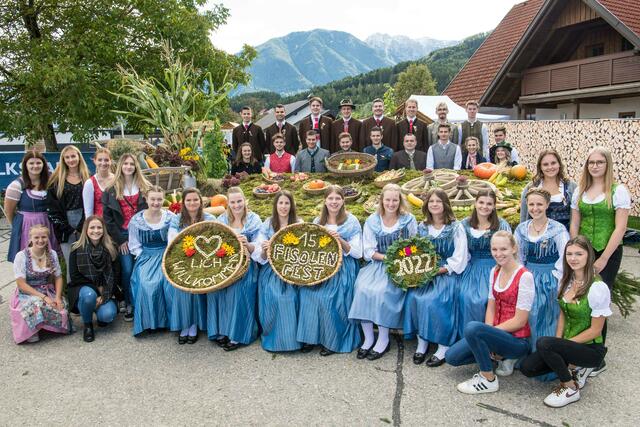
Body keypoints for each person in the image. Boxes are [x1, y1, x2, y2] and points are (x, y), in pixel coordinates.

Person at [520, 236, 611, 408]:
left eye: (579, 254)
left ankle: (570, 388)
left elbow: (595, 331)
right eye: (569, 254)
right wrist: (558, 342)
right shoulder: (566, 281)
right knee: (527, 368)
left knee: (544, 343)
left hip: (591, 349)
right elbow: (562, 314)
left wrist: (561, 345)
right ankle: (574, 367)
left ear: (589, 256)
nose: (573, 258)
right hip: (568, 344)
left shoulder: (598, 287)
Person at [446, 231, 534, 394]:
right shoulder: (495, 271)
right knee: (452, 357)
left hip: (517, 341)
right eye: (494, 249)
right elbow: (491, 307)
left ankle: (488, 378)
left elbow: (520, 321)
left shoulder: (525, 276)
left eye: (503, 249)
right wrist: (487, 337)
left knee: (473, 328)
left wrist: (489, 334)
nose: (498, 254)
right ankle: (496, 357)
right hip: (497, 335)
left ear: (514, 249)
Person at [570, 146, 630, 375]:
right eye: (591, 162)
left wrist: (604, 257)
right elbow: (575, 222)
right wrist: (576, 249)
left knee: (599, 300)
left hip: (608, 250)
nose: (594, 166)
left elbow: (621, 227)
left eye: (599, 162)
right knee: (581, 298)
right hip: (584, 249)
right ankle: (582, 350)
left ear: (607, 165)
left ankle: (597, 358)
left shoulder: (617, 191)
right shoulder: (581, 190)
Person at [349, 184, 417, 360]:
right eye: (388, 200)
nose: (391, 203)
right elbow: (369, 251)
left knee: (381, 292)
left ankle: (383, 339)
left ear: (400, 201)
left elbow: (414, 246)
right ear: (382, 200)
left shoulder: (408, 219)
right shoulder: (373, 220)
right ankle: (369, 338)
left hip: (400, 265)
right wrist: (387, 258)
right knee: (362, 288)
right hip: (379, 263)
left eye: (395, 200)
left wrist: (400, 256)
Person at [404, 188, 467, 367]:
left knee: (436, 300)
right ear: (426, 205)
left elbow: (459, 257)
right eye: (431, 201)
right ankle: (422, 342)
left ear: (445, 204)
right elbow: (413, 248)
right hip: (424, 271)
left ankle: (443, 345)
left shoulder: (455, 227)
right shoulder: (422, 227)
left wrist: (439, 270)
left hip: (446, 273)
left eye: (438, 201)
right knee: (413, 297)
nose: (434, 205)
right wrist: (407, 256)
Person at [297, 186, 363, 355]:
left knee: (331, 295)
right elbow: (310, 249)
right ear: (325, 201)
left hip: (343, 266)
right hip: (321, 265)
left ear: (343, 201)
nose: (334, 202)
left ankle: (333, 339)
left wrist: (340, 240)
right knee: (308, 293)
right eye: (330, 199)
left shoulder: (351, 221)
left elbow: (357, 253)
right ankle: (312, 337)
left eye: (337, 199)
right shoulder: (317, 221)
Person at [515, 188, 569, 361]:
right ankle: (527, 355)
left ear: (547, 205)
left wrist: (559, 281)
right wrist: (520, 277)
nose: (535, 208)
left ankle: (546, 357)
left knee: (546, 315)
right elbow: (518, 257)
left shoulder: (558, 229)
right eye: (531, 204)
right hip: (528, 277)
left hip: (550, 277)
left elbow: (564, 257)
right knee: (528, 315)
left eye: (539, 204)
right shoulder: (522, 229)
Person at [252, 190, 303, 351]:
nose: (283, 206)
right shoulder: (267, 224)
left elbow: (304, 251)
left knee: (291, 297)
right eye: (280, 203)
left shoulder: (298, 223)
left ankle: (294, 339)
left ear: (291, 205)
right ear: (275, 205)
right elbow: (261, 257)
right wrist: (265, 249)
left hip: (292, 268)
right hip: (271, 270)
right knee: (276, 296)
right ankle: (275, 337)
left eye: (287, 203)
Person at [213, 187, 262, 350]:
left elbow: (259, 246)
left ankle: (238, 334)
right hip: (225, 264)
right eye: (233, 202)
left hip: (247, 265)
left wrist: (247, 244)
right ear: (228, 203)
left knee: (239, 289)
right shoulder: (221, 220)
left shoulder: (254, 220)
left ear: (245, 201)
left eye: (239, 201)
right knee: (218, 289)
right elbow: (215, 243)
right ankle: (223, 330)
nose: (236, 205)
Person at [102, 153, 151, 322]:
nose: (128, 167)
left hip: (141, 235)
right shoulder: (111, 190)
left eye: (131, 164)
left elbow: (151, 211)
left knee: (142, 270)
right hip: (123, 236)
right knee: (128, 269)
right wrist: (120, 240)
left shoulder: (145, 187)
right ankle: (130, 303)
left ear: (136, 166)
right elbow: (107, 219)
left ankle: (143, 303)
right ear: (120, 167)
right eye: (125, 164)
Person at [458, 190, 511, 339]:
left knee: (487, 299)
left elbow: (509, 250)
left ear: (494, 206)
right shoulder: (464, 224)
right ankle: (469, 339)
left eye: (489, 204)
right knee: (465, 296)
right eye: (481, 202)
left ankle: (491, 339)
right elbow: (461, 251)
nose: (484, 206)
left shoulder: (501, 225)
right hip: (473, 267)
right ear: (475, 203)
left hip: (496, 268)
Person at [167, 188, 214, 344]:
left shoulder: (209, 218)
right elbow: (173, 239)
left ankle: (194, 324)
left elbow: (218, 236)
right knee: (181, 282)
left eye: (195, 200)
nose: (192, 203)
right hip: (183, 258)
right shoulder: (177, 219)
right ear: (183, 202)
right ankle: (185, 323)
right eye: (188, 200)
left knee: (197, 279)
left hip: (205, 260)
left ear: (201, 201)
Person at [128, 186, 176, 336]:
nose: (156, 202)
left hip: (166, 254)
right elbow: (133, 244)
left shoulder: (170, 218)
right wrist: (144, 255)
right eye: (153, 199)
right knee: (146, 283)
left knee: (168, 283)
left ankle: (169, 321)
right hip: (146, 255)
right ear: (146, 200)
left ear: (163, 200)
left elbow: (175, 240)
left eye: (159, 199)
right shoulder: (137, 220)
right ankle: (150, 322)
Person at [10, 224, 69, 344]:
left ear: (48, 238)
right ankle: (32, 330)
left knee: (62, 307)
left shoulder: (52, 254)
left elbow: (58, 277)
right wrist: (44, 297)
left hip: (47, 289)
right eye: (36, 237)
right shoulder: (21, 256)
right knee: (35, 304)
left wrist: (57, 297)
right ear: (30, 238)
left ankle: (46, 326)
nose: (40, 240)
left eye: (44, 237)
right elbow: (21, 284)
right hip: (27, 292)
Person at [68, 215, 118, 343]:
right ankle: (88, 325)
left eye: (99, 227)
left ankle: (99, 313)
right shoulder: (76, 248)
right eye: (92, 227)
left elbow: (116, 275)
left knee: (107, 316)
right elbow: (75, 276)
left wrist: (105, 294)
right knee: (89, 295)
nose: (96, 231)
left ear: (103, 229)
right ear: (86, 230)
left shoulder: (111, 248)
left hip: (105, 291)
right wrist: (97, 291)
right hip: (84, 289)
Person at [5, 151, 59, 262]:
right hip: (27, 226)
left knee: (50, 259)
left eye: (38, 163)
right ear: (25, 165)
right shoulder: (17, 185)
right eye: (31, 163)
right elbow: (9, 211)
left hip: (48, 224)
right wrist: (17, 227)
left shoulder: (50, 182)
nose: (35, 166)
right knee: (30, 260)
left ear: (44, 164)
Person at [47, 145, 91, 281]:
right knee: (70, 262)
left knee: (88, 261)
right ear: (63, 160)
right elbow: (52, 208)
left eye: (73, 156)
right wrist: (69, 229)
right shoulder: (56, 181)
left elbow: (91, 203)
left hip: (85, 222)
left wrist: (82, 226)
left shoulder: (87, 178)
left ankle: (89, 295)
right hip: (65, 224)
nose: (71, 160)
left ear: (79, 157)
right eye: (67, 157)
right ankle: (73, 297)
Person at [520, 149, 576, 231]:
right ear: (540, 167)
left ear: (559, 164)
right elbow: (524, 216)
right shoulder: (531, 187)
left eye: (553, 163)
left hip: (566, 237)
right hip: (538, 237)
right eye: (545, 164)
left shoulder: (571, 187)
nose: (550, 167)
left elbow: (577, 218)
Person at [83, 147, 115, 217]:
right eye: (100, 160)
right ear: (94, 161)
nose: (103, 163)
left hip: (117, 225)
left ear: (111, 161)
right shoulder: (90, 183)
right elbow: (88, 212)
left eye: (106, 160)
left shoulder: (117, 180)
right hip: (99, 225)